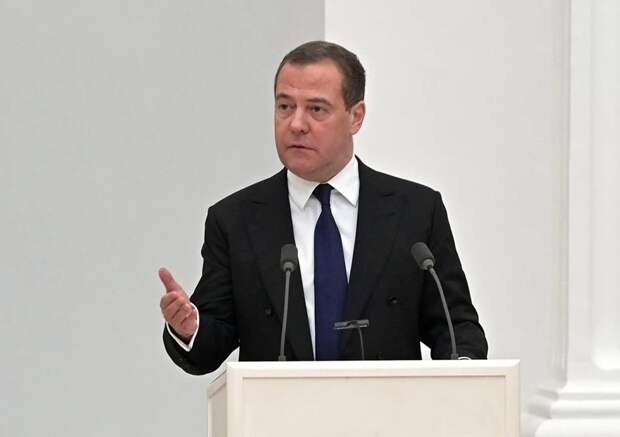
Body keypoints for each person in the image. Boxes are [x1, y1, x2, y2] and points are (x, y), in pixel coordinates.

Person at [159, 41, 487, 375]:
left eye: (316, 109)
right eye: (285, 106)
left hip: (387, 406)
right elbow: (212, 341)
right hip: (280, 407)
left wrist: (464, 373)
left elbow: (455, 326)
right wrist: (189, 328)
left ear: (355, 117)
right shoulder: (235, 219)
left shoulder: (415, 210)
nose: (296, 124)